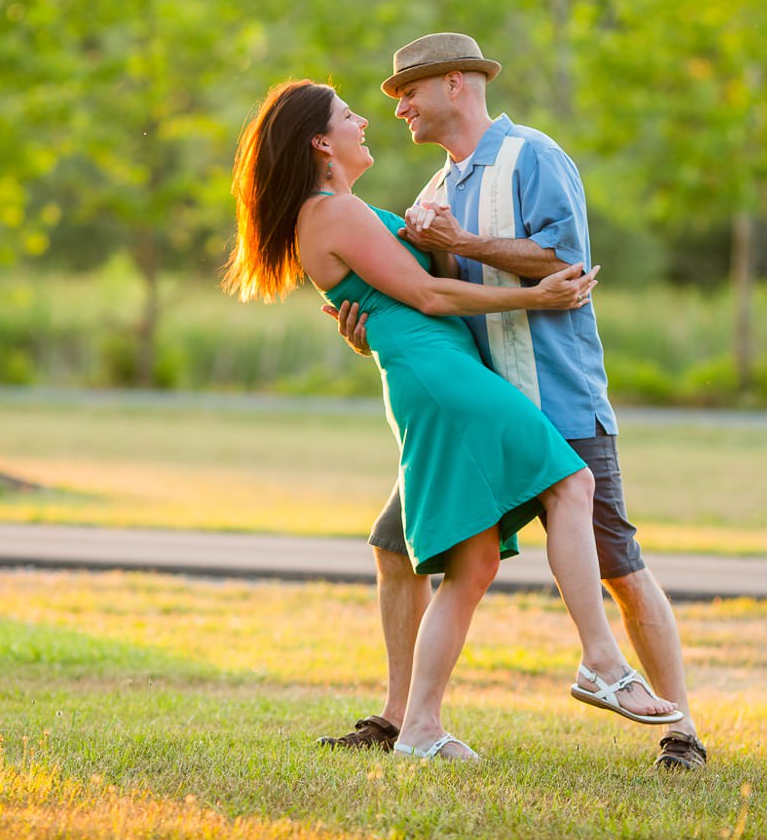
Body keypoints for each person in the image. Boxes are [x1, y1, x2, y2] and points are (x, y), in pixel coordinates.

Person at [223, 78, 680, 762]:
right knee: (572, 483)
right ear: (321, 141)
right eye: (350, 117)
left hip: (442, 373)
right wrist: (541, 298)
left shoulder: (344, 210)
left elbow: (403, 290)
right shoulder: (334, 214)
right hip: (445, 380)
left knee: (474, 562)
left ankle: (418, 729)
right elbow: (431, 296)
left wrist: (408, 279)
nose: (366, 122)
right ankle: (601, 663)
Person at [319, 33, 709, 771]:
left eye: (410, 91)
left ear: (458, 85)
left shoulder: (533, 156)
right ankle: (403, 719)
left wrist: (465, 241)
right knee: (394, 544)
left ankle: (681, 732)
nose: (398, 106)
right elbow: (429, 301)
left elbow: (565, 262)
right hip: (477, 415)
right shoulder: (430, 195)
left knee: (619, 565)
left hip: (557, 399)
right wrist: (370, 333)